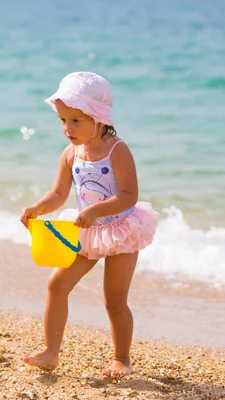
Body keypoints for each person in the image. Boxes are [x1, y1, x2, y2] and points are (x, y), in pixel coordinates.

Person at [19, 71, 159, 378]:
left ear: (98, 117)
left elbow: (128, 195)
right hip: (86, 231)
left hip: (121, 231)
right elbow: (58, 194)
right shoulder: (71, 154)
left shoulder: (116, 150)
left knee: (114, 300)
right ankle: (50, 352)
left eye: (76, 120)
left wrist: (96, 211)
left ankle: (121, 358)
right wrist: (37, 208)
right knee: (56, 285)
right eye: (62, 120)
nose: (67, 128)